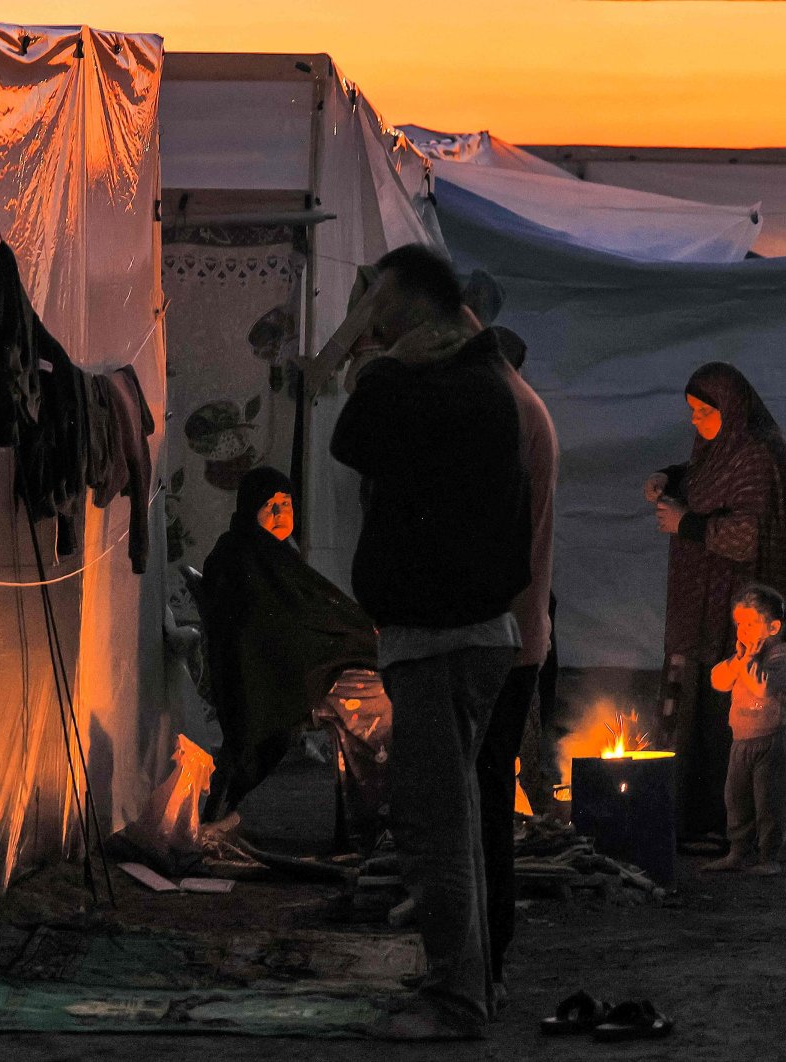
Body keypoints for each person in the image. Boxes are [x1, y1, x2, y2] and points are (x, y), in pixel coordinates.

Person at [330, 244, 531, 1041]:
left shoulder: (458, 389)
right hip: (456, 636)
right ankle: (465, 982)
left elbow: (356, 432)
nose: (369, 329)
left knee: (438, 828)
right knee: (450, 824)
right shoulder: (477, 385)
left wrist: (377, 362)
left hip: (445, 641)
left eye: (380, 311)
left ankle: (456, 1000)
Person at [644, 363, 786, 854]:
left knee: (727, 715)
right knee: (695, 707)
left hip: (733, 608)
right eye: (692, 412)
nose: (695, 422)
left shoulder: (757, 456)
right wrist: (670, 477)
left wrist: (686, 524)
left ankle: (726, 825)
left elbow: (746, 534)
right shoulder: (721, 451)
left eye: (703, 412)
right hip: (701, 604)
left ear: (730, 409)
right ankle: (693, 818)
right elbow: (702, 481)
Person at [195, 467, 380, 824]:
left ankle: (369, 816)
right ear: (250, 507)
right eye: (270, 505)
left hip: (286, 666)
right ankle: (373, 818)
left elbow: (305, 610)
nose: (281, 514)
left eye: (287, 504)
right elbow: (271, 627)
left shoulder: (271, 553)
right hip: (272, 677)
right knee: (379, 697)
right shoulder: (241, 557)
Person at [474, 325, 558, 1000]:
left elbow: (499, 542)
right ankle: (484, 952)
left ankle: (484, 957)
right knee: (486, 792)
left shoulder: (508, 414)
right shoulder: (520, 407)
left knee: (482, 796)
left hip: (496, 637)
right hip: (512, 633)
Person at [703, 584, 786, 877]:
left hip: (771, 741)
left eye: (751, 623)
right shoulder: (743, 657)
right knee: (736, 798)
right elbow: (718, 680)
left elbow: (763, 687)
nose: (743, 630)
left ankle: (768, 855)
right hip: (741, 741)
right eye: (740, 624)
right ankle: (738, 851)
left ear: (773, 627)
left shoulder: (783, 657)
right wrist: (737, 661)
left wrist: (747, 661)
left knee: (769, 800)